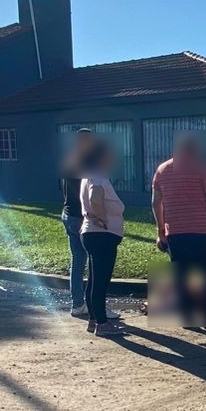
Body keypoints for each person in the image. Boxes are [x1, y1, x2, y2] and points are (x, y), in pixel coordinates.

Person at [151, 132, 206, 327]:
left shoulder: (162, 170)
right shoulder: (201, 168)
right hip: (201, 231)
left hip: (175, 232)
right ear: (195, 149)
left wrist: (160, 230)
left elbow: (155, 202)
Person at [79, 137, 126, 337]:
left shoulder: (89, 175)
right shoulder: (97, 177)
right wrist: (103, 219)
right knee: (100, 280)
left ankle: (93, 319)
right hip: (101, 234)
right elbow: (95, 199)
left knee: (94, 278)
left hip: (92, 234)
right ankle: (102, 322)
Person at [59, 128, 95, 318]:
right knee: (96, 261)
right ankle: (95, 304)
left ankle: (78, 303)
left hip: (68, 214)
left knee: (78, 260)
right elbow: (91, 192)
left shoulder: (69, 160)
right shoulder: (87, 163)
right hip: (81, 217)